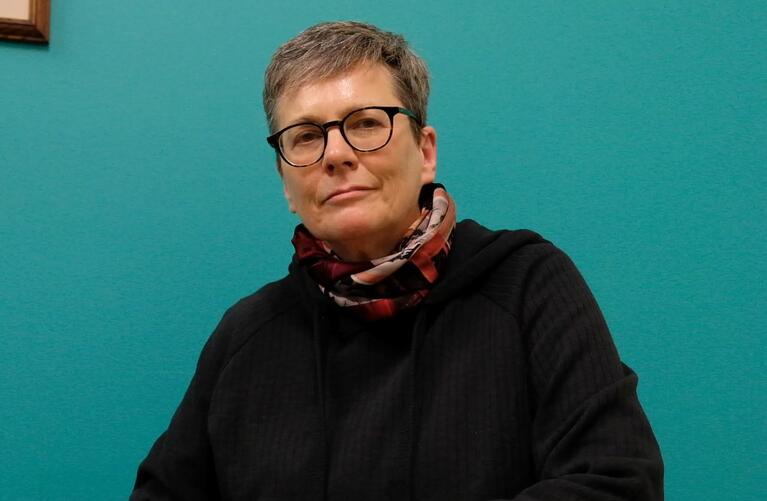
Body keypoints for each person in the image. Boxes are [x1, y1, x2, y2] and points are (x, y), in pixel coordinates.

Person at [131, 21, 663, 500]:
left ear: (425, 151)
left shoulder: (528, 285)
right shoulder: (246, 333)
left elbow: (617, 483)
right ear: (286, 183)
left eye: (365, 123)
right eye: (308, 136)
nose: (336, 154)